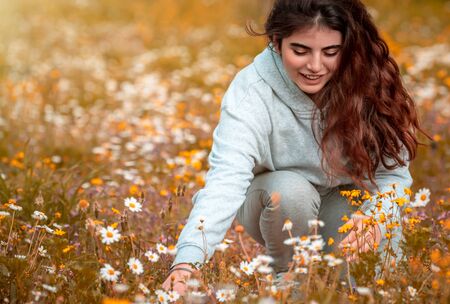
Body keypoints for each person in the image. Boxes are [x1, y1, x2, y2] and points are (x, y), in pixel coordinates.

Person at [162, 0, 427, 296]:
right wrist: (186, 262)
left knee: (366, 287)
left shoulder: (371, 81)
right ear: (277, 42)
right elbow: (226, 180)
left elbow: (394, 177)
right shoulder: (252, 91)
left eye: (331, 52)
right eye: (300, 51)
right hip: (276, 200)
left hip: (346, 201)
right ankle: (287, 278)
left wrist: (378, 215)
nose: (315, 66)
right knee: (290, 190)